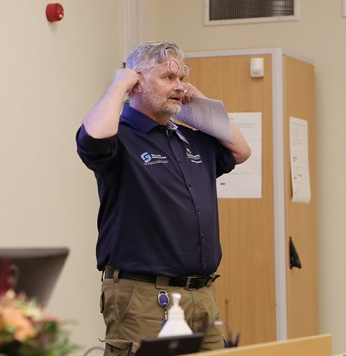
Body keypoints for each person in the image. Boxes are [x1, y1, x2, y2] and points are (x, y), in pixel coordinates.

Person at [75, 41, 251, 355]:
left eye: (181, 78)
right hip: (144, 294)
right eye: (168, 78)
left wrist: (200, 105)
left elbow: (241, 151)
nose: (179, 86)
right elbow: (93, 138)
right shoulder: (120, 135)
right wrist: (120, 84)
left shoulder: (188, 137)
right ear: (137, 81)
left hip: (201, 293)